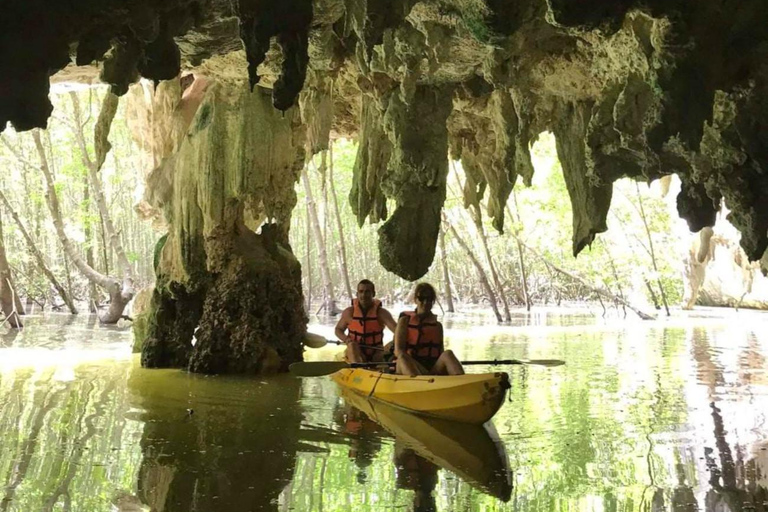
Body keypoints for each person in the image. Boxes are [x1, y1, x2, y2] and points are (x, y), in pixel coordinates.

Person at [394, 282, 464, 376]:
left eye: (429, 299)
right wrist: (424, 373)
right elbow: (398, 351)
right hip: (410, 366)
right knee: (402, 357)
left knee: (448, 354)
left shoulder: (437, 326)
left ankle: (462, 382)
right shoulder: (404, 321)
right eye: (422, 298)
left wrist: (427, 373)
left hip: (431, 369)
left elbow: (440, 352)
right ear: (415, 300)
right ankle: (419, 385)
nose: (426, 302)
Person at [335, 279, 397, 363]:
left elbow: (398, 332)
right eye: (361, 291)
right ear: (357, 294)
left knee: (391, 346)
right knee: (352, 345)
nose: (364, 295)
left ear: (373, 294)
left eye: (367, 292)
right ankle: (357, 367)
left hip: (376, 350)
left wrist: (393, 344)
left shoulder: (382, 313)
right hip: (356, 351)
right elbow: (338, 329)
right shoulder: (349, 312)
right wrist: (346, 339)